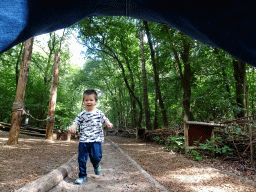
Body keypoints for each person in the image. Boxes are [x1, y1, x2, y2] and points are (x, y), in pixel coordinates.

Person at [68, 89, 113, 184]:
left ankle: (96, 165)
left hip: (96, 140)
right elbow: (75, 122)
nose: (89, 102)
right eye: (86, 100)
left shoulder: (99, 113)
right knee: (81, 159)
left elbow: (105, 119)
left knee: (96, 157)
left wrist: (108, 123)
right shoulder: (82, 114)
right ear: (83, 102)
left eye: (91, 100)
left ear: (96, 101)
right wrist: (73, 127)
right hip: (84, 140)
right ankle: (82, 176)